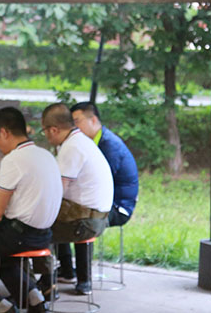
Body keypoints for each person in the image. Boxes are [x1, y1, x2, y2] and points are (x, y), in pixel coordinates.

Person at [0, 107, 62, 313]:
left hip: (19, 234)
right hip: (45, 234)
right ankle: (35, 300)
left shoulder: (14, 159)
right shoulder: (45, 155)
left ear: (4, 132)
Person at [39, 103, 113, 296]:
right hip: (98, 216)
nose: (46, 136)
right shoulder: (81, 141)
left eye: (44, 131)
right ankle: (60, 275)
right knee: (46, 218)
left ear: (53, 130)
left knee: (34, 228)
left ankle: (45, 286)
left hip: (86, 221)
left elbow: (57, 191)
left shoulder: (71, 148)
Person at [60, 101, 138, 284]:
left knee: (78, 217)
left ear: (93, 120)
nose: (74, 127)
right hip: (105, 202)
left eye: (77, 121)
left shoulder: (108, 146)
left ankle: (81, 278)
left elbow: (97, 186)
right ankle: (67, 270)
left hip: (117, 208)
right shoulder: (92, 142)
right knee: (62, 213)